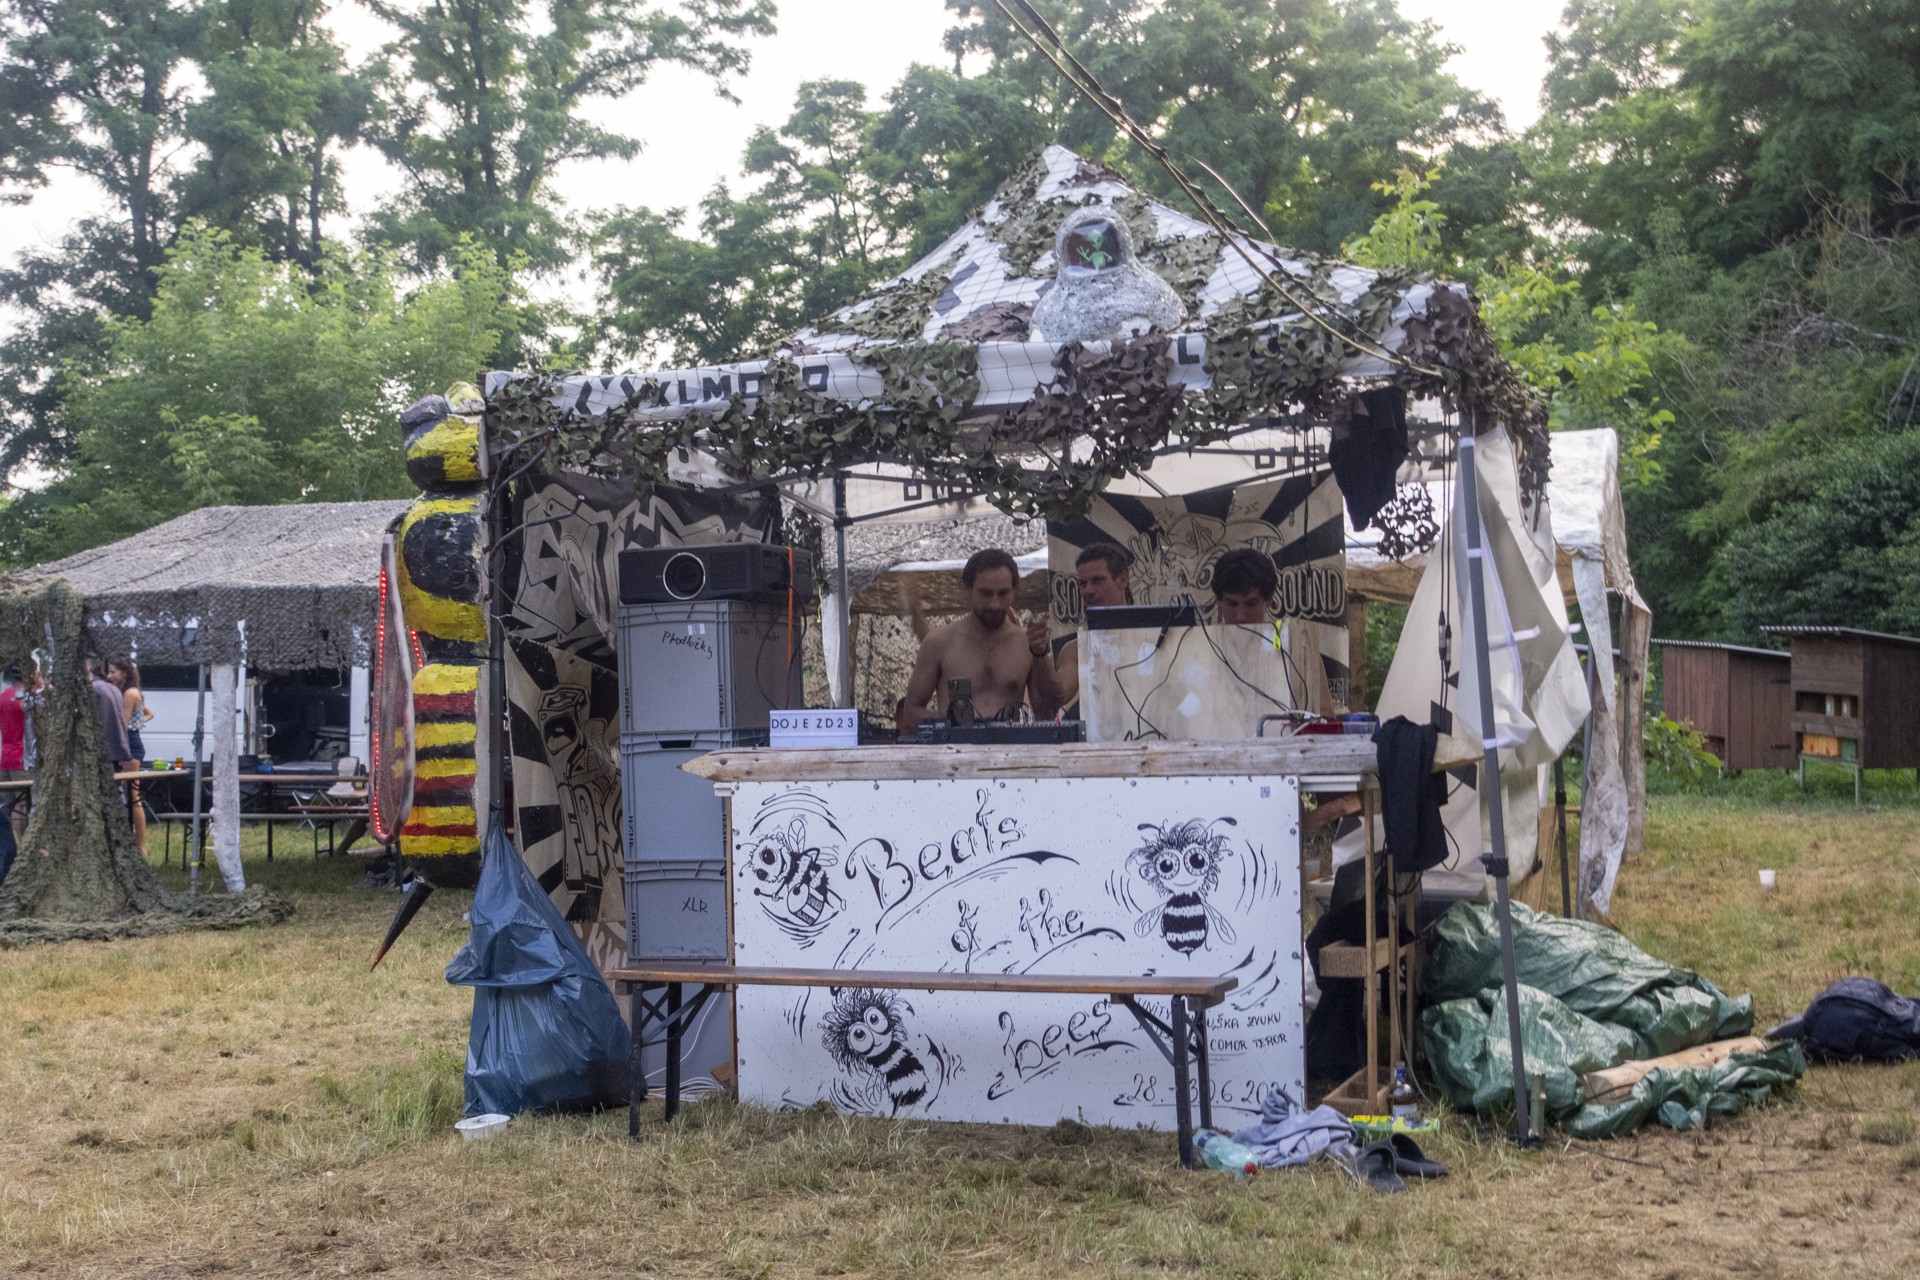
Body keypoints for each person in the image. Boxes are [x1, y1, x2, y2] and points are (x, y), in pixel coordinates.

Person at [896, 548, 1035, 735]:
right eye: (986, 593)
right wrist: (953, 724)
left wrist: (1042, 655)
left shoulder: (1026, 643)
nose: (995, 604)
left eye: (1003, 593)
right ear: (968, 589)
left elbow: (1049, 709)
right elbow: (911, 712)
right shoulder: (938, 642)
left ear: (1013, 591)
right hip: (955, 751)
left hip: (1011, 749)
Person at [1027, 543, 1133, 719]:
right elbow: (1057, 697)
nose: (1088, 590)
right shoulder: (1077, 649)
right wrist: (1039, 653)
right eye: (1083, 583)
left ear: (1122, 580)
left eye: (1097, 580)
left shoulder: (1158, 636)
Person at [90, 657, 142, 852]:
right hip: (131, 741)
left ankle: (139, 844)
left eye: (113, 672)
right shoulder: (125, 691)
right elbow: (148, 713)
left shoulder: (128, 693)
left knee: (132, 796)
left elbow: (122, 721)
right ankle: (134, 843)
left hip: (130, 745)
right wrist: (140, 722)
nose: (109, 676)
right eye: (108, 672)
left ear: (125, 672)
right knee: (129, 794)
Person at [1210, 547, 1280, 625]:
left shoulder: (1284, 632)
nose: (1241, 617)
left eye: (1251, 604)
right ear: (1218, 600)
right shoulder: (1201, 634)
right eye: (1231, 604)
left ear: (1269, 600)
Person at [1, 666, 28, 840]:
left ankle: (10, 845)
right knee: (23, 803)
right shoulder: (24, 698)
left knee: (8, 806)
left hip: (5, 756)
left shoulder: (1, 697)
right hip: (21, 756)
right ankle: (23, 842)